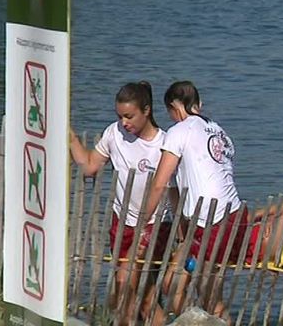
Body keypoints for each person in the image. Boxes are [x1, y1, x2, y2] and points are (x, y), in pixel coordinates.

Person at [69, 81, 174, 325]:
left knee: (125, 283)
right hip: (121, 223)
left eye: (129, 116)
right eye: (120, 116)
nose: (124, 122)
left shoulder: (165, 144)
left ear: (146, 111)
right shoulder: (114, 133)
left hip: (153, 226)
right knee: (140, 297)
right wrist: (70, 136)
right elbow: (90, 166)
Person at [143, 80, 247, 321]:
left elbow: (160, 183)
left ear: (173, 108)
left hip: (213, 219)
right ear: (198, 104)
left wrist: (141, 221)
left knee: (205, 294)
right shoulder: (218, 130)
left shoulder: (179, 130)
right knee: (198, 289)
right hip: (234, 214)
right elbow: (179, 187)